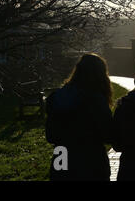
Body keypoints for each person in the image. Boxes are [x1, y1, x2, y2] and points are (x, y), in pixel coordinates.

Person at [45, 53, 114, 181]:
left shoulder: (57, 98)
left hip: (62, 158)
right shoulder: (96, 101)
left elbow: (50, 135)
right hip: (91, 162)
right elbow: (108, 135)